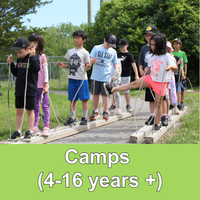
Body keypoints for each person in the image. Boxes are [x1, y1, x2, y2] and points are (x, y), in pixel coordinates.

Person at [104, 33, 177, 131]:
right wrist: (147, 69)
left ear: (160, 44)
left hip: (161, 82)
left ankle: (157, 123)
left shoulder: (166, 56)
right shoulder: (151, 55)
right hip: (150, 78)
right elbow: (151, 66)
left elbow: (175, 68)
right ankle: (112, 89)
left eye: (154, 44)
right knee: (133, 84)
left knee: (158, 103)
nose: (152, 46)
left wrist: (170, 67)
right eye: (151, 44)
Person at [7, 37, 40, 141]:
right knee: (18, 110)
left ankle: (30, 131)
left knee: (30, 111)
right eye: (17, 53)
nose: (18, 54)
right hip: (19, 89)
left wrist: (33, 56)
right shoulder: (20, 59)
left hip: (30, 89)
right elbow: (17, 73)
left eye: (20, 52)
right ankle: (18, 130)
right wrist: (11, 64)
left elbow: (36, 69)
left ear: (28, 49)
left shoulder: (34, 57)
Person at [56, 30, 91, 126]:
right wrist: (62, 65)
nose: (76, 40)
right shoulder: (70, 51)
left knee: (84, 98)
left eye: (78, 38)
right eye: (75, 38)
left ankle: (84, 117)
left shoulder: (85, 53)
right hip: (72, 78)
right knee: (72, 99)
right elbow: (69, 65)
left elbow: (87, 66)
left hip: (82, 79)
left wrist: (88, 66)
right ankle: (72, 118)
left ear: (84, 40)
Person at [89, 34, 119, 121]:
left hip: (106, 77)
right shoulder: (96, 48)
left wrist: (116, 69)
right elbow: (90, 58)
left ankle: (105, 111)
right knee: (95, 94)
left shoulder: (113, 51)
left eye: (111, 45)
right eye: (108, 43)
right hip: (96, 76)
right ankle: (95, 111)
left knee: (106, 95)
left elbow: (115, 62)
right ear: (104, 40)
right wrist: (92, 61)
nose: (109, 46)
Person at [28, 33, 50, 136]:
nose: (32, 44)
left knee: (45, 106)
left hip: (43, 86)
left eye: (34, 42)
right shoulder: (29, 56)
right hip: (33, 86)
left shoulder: (43, 57)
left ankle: (46, 126)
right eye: (30, 42)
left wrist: (46, 85)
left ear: (39, 43)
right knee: (35, 106)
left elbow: (45, 72)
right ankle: (35, 126)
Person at [138, 25, 158, 125]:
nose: (148, 37)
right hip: (148, 76)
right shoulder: (144, 48)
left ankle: (162, 116)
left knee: (160, 98)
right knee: (150, 98)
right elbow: (140, 61)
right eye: (146, 35)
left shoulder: (160, 47)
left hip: (158, 77)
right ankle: (152, 116)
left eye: (150, 35)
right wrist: (141, 70)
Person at [116, 38, 139, 112]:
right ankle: (114, 104)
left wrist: (136, 75)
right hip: (117, 75)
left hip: (126, 75)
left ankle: (128, 105)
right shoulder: (117, 54)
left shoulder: (129, 55)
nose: (121, 48)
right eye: (120, 46)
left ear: (127, 45)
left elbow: (134, 65)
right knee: (115, 90)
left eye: (123, 46)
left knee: (126, 91)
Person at [172, 38, 188, 109]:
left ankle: (181, 102)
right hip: (174, 72)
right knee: (174, 87)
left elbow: (185, 63)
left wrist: (185, 73)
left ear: (180, 45)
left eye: (177, 44)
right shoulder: (172, 53)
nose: (175, 45)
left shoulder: (183, 53)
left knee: (182, 88)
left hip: (181, 72)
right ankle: (174, 102)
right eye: (174, 44)